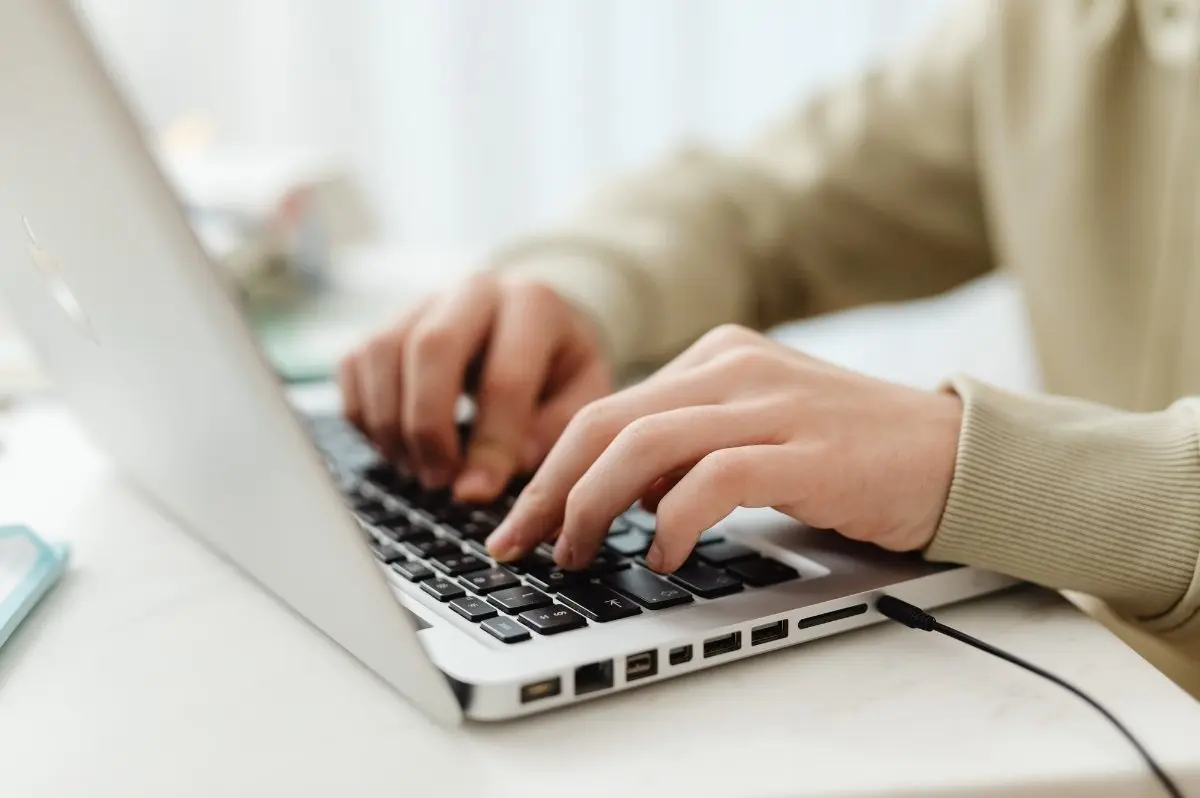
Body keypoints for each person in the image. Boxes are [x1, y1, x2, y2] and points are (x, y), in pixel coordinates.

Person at [338, 0, 1200, 690]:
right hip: (1105, 679)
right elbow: (761, 211)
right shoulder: (1057, 21)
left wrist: (982, 468)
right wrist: (574, 292)